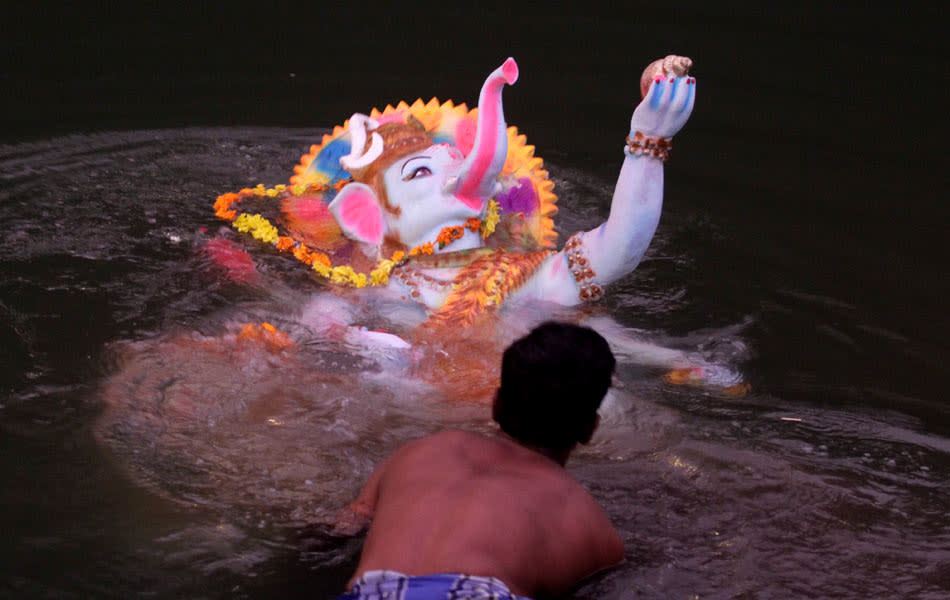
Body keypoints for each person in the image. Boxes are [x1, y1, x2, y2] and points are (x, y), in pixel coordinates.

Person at [335, 321, 624, 600]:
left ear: (495, 404)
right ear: (590, 428)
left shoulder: (419, 452)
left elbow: (347, 525)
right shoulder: (587, 521)